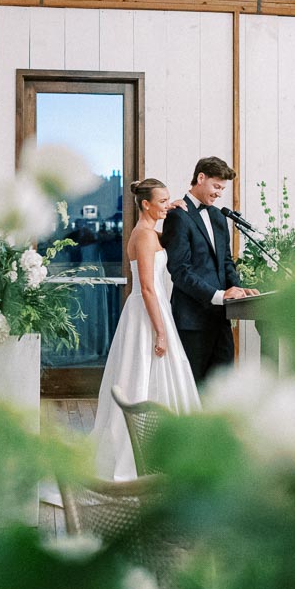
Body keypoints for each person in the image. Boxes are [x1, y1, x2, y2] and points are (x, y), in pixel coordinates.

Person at [91, 179, 200, 480]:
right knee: (140, 377)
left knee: (158, 376)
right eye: (162, 201)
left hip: (151, 308)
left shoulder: (149, 233)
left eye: (168, 199)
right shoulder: (143, 236)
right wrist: (161, 332)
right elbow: (149, 289)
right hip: (147, 311)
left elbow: (170, 239)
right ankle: (140, 457)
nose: (167, 204)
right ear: (145, 204)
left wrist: (176, 206)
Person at [161, 157, 257, 385]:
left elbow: (225, 262)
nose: (219, 194)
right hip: (192, 321)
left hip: (221, 319)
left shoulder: (217, 216)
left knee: (222, 388)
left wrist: (238, 289)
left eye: (223, 189)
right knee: (193, 388)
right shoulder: (177, 216)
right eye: (216, 186)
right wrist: (218, 296)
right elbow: (179, 270)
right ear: (200, 178)